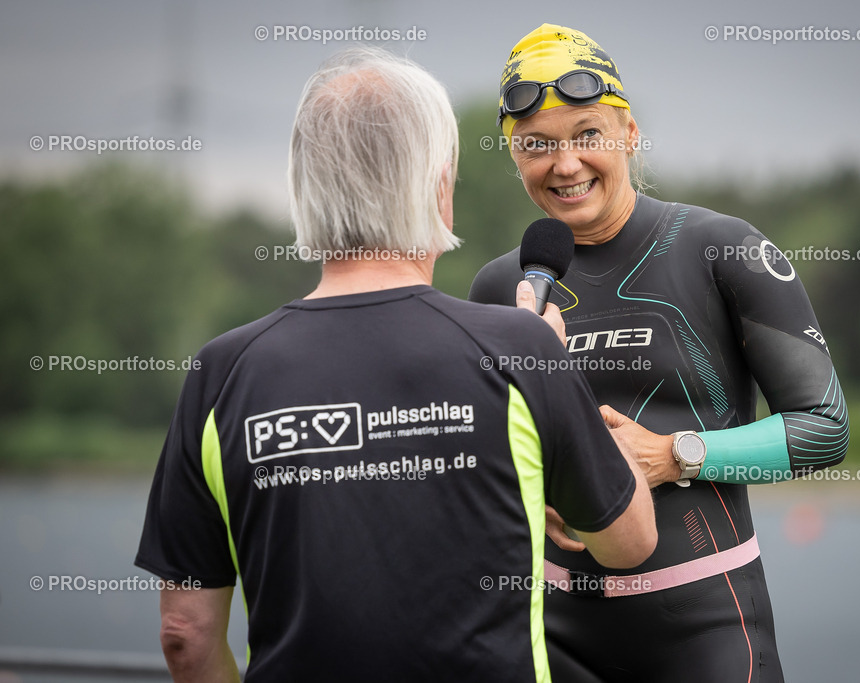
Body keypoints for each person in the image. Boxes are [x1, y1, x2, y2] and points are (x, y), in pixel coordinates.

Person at [135, 46, 657, 683]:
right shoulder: (522, 347)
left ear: (303, 185)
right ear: (439, 185)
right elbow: (629, 543)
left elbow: (184, 635)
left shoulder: (220, 373)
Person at [470, 24, 849, 683]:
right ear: (515, 155)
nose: (565, 164)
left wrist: (673, 456)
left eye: (587, 134)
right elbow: (487, 462)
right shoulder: (502, 286)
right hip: (556, 637)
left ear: (628, 133)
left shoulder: (720, 248)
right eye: (537, 145)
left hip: (706, 630)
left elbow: (824, 427)